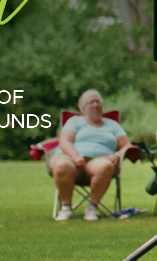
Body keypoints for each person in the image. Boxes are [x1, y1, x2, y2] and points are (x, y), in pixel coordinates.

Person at [48, 90, 131, 221]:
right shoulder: (74, 121)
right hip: (70, 158)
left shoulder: (112, 125)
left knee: (105, 166)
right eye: (91, 102)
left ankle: (92, 208)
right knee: (62, 165)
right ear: (82, 108)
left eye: (98, 102)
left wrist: (118, 154)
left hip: (98, 161)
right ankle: (66, 208)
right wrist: (75, 156)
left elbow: (127, 145)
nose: (95, 105)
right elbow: (64, 141)